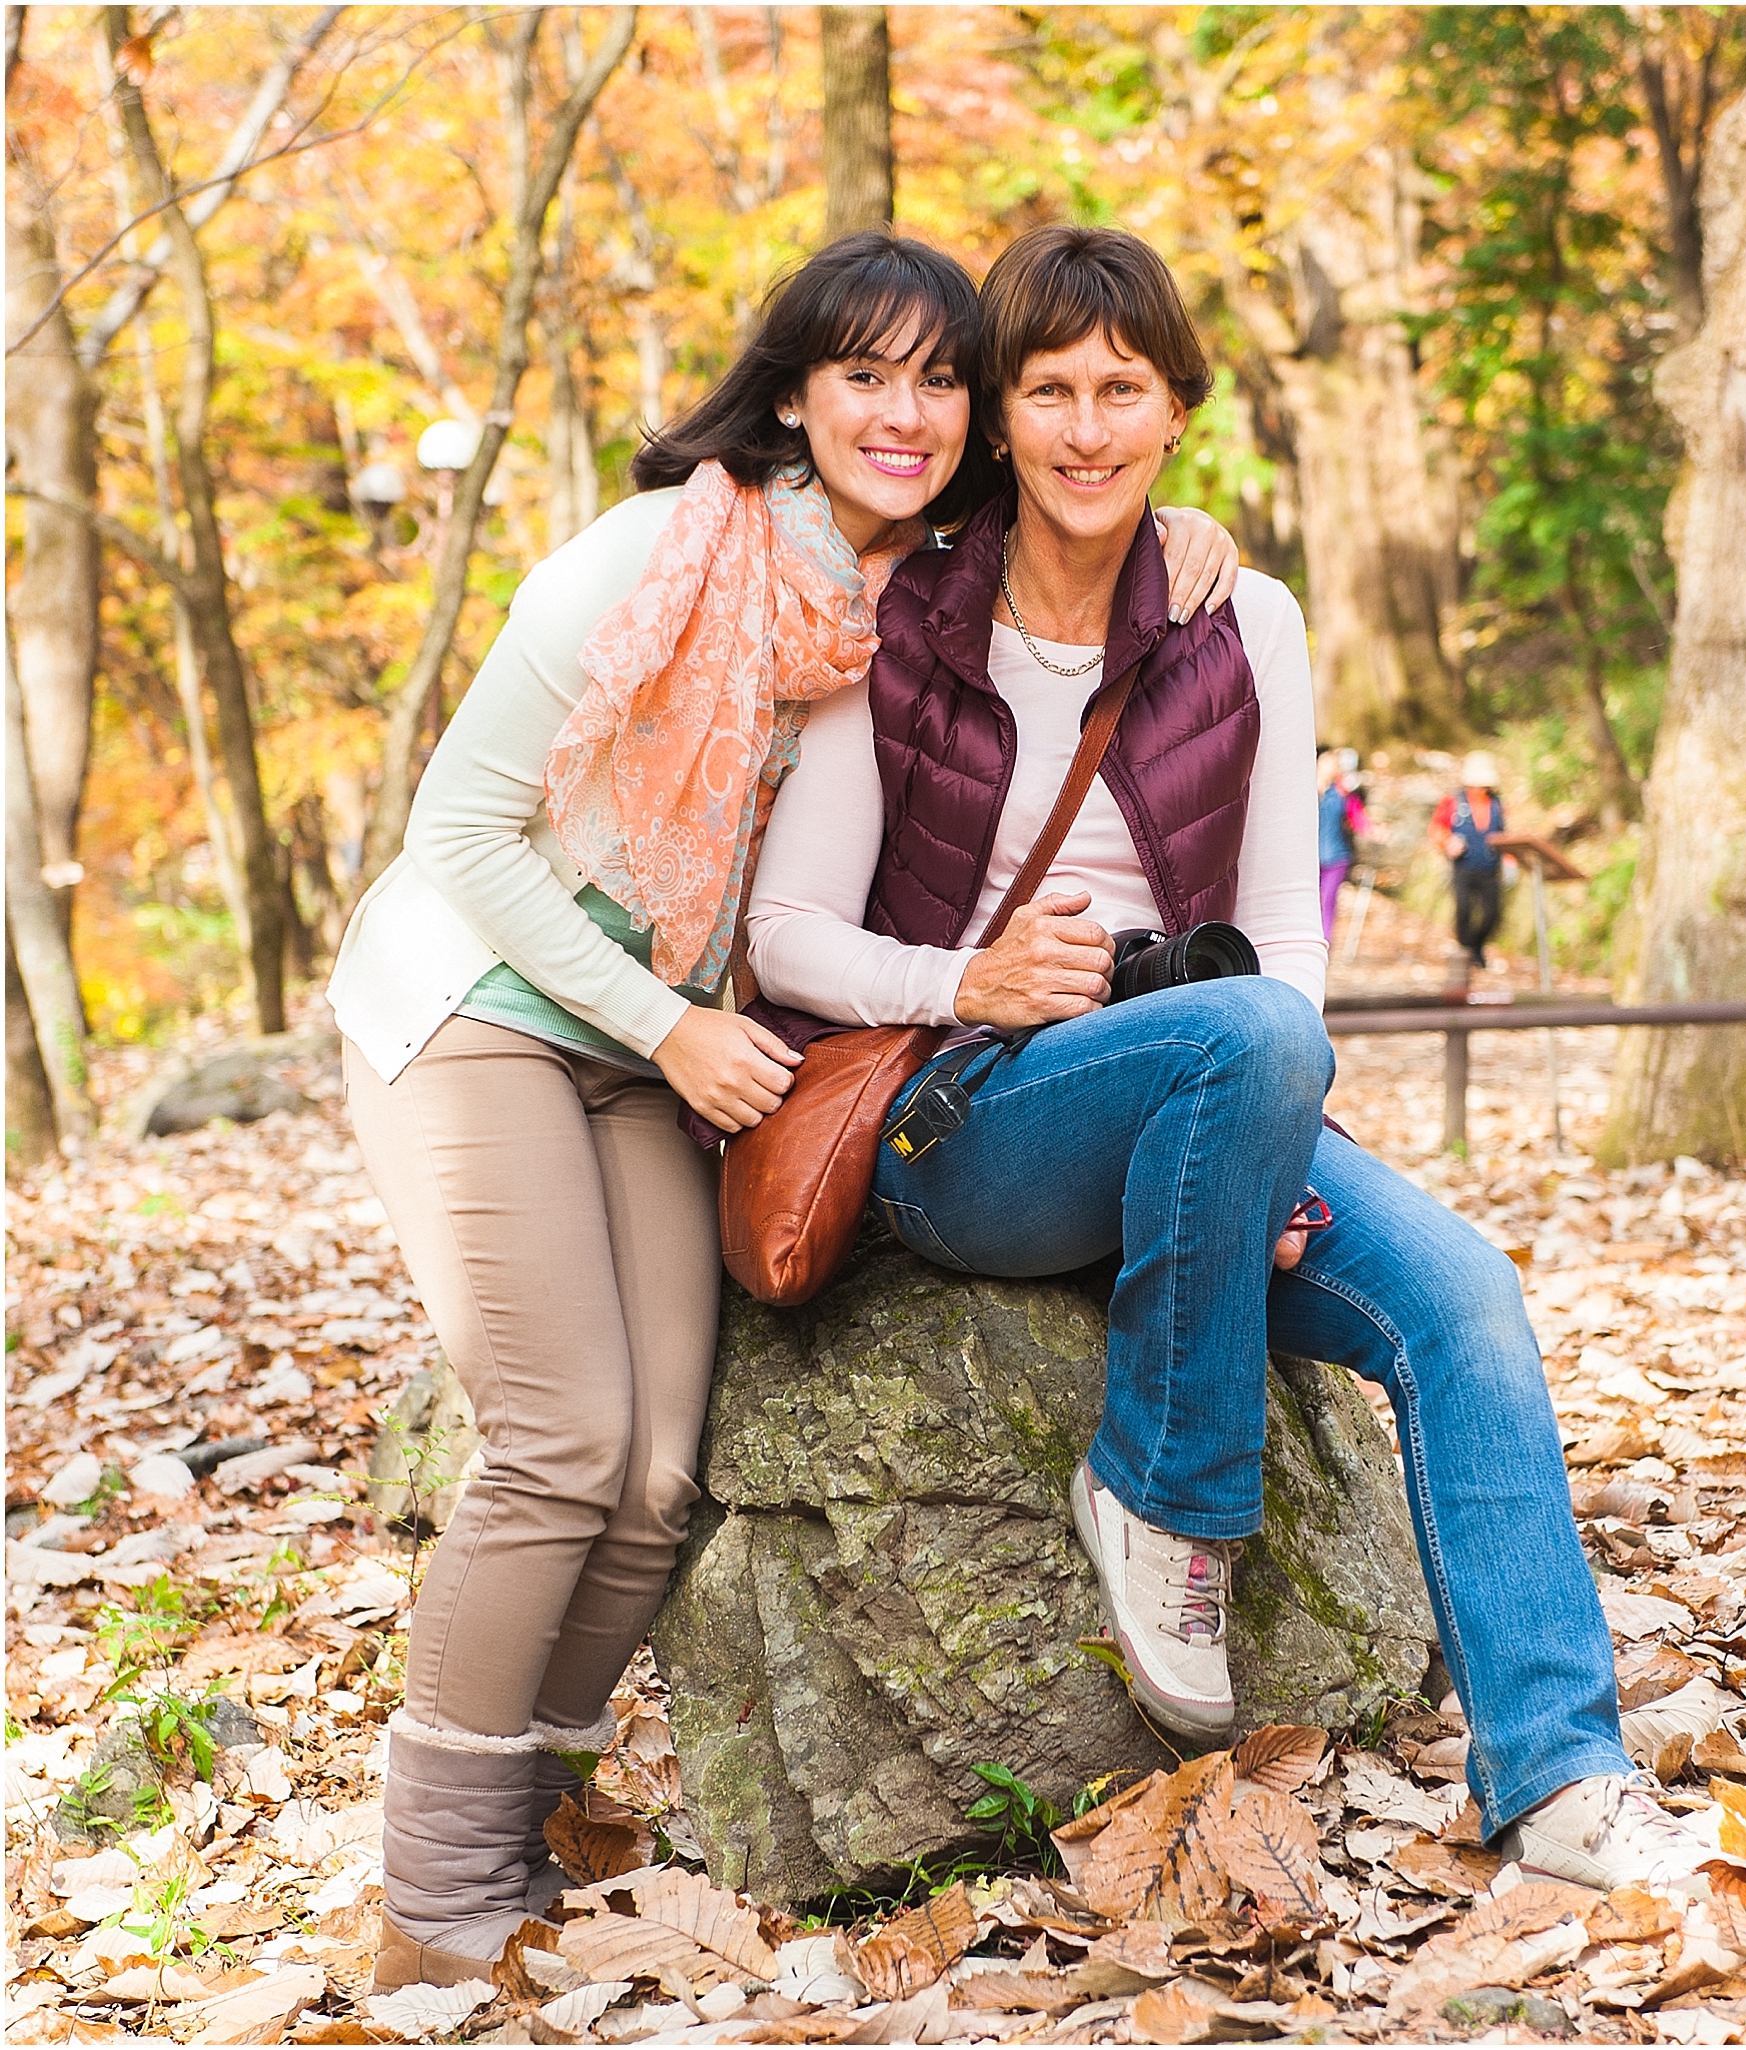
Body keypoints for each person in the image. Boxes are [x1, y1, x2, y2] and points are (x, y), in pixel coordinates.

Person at [326, 231, 1239, 1990]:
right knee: (561, 1444)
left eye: (937, 379)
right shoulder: (645, 557)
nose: (901, 413)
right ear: (793, 391)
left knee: (660, 1474)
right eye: (861, 376)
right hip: (478, 1003)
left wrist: (1183, 542)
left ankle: (540, 1828)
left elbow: (1092, 540)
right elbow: (455, 837)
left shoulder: (907, 584)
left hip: (650, 1038)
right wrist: (667, 1030)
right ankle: (436, 1910)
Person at [745, 225, 1703, 1893]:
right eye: (1046, 390)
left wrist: (1251, 1148)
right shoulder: (898, 621)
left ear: (1176, 410)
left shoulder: (1238, 616)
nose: (1085, 428)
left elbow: (1284, 936)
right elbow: (786, 936)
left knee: (1462, 1295)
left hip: (1209, 1088)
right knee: (1245, 1036)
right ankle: (1164, 1496)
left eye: (1121, 389)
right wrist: (968, 978)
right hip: (961, 1119)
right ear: (995, 415)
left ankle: (1556, 1774)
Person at [1431, 749, 1505, 967]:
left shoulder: (1496, 803)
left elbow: (1503, 832)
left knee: (1492, 913)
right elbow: (1436, 828)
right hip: (1463, 866)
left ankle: (1476, 946)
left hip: (1489, 868)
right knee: (1463, 909)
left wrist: (1508, 861)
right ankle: (1466, 953)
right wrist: (1448, 842)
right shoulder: (1453, 800)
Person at [1316, 747, 1367, 949]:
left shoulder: (1343, 793)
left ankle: (1325, 942)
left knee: (1328, 901)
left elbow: (1358, 817)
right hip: (1311, 857)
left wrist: (1373, 830)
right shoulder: (1308, 790)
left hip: (1336, 856)